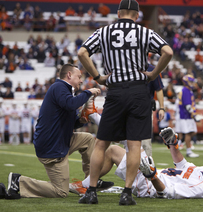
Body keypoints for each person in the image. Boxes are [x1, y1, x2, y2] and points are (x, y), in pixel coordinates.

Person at [78, 0, 173, 205]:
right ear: (136, 15)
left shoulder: (104, 32)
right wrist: (152, 74)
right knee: (134, 145)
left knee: (102, 143)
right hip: (139, 92)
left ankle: (91, 191)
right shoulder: (144, 32)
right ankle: (127, 194)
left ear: (119, 13)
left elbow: (82, 52)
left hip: (116, 91)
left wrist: (97, 77)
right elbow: (168, 52)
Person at [6, 64, 112, 199]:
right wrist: (88, 92)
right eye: (79, 77)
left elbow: (71, 122)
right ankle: (19, 182)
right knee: (60, 191)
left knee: (88, 139)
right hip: (52, 146)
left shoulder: (64, 91)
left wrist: (81, 120)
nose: (81, 80)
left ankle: (90, 181)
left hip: (59, 140)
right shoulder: (59, 87)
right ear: (69, 75)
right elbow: (70, 104)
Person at [73, 127, 203, 200]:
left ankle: (95, 115)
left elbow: (166, 193)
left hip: (150, 185)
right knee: (113, 150)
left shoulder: (200, 189)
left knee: (130, 140)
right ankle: (86, 185)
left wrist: (151, 175)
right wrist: (173, 144)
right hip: (155, 173)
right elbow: (182, 164)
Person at [175, 75, 203, 158]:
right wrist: (193, 114)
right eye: (191, 82)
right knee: (188, 133)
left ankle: (181, 142)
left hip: (187, 115)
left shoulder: (188, 90)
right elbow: (187, 105)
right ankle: (188, 151)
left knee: (193, 132)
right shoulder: (186, 90)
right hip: (186, 115)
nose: (192, 83)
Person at [141, 64, 165, 156]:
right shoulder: (129, 67)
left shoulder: (152, 69)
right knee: (129, 141)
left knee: (145, 141)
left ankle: (148, 165)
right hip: (130, 107)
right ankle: (127, 166)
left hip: (145, 108)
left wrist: (161, 107)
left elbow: (159, 89)